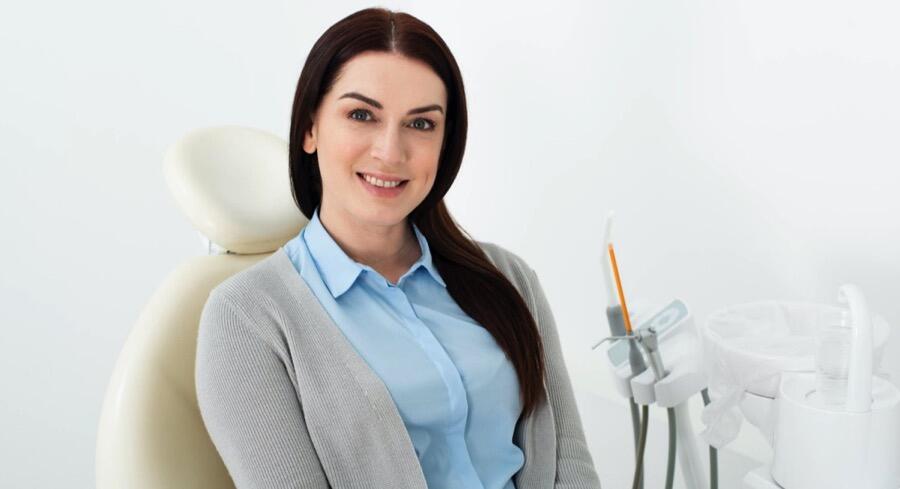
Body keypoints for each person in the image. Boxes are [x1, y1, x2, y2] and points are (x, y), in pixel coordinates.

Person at [195, 7, 602, 489]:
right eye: (361, 115)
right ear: (310, 128)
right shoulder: (247, 319)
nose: (391, 152)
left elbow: (571, 467)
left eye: (421, 124)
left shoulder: (509, 279)